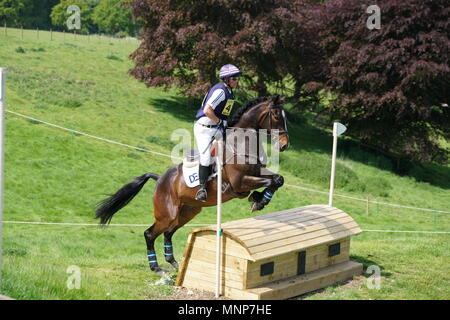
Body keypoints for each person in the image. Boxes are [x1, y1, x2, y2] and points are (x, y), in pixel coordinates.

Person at [193, 64, 241, 202]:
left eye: (237, 78)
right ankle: (201, 189)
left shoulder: (230, 92)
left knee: (231, 151)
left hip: (217, 128)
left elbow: (223, 114)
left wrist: (224, 123)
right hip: (205, 129)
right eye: (234, 78)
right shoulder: (220, 91)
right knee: (207, 158)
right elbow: (208, 110)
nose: (237, 80)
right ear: (226, 79)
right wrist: (219, 121)